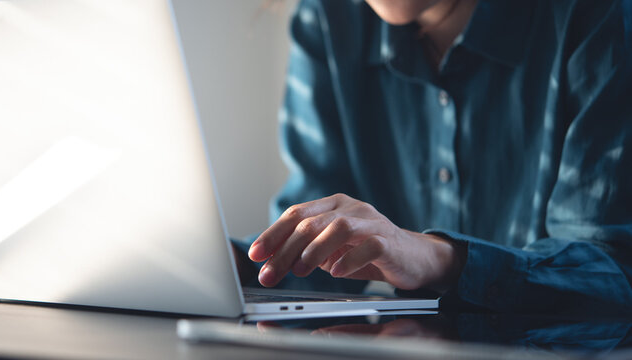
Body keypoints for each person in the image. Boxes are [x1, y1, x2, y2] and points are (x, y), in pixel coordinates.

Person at [233, 0, 632, 314]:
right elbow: (316, 251)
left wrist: (437, 258)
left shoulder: (597, 14)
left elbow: (611, 271)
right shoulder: (326, 19)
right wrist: (230, 266)